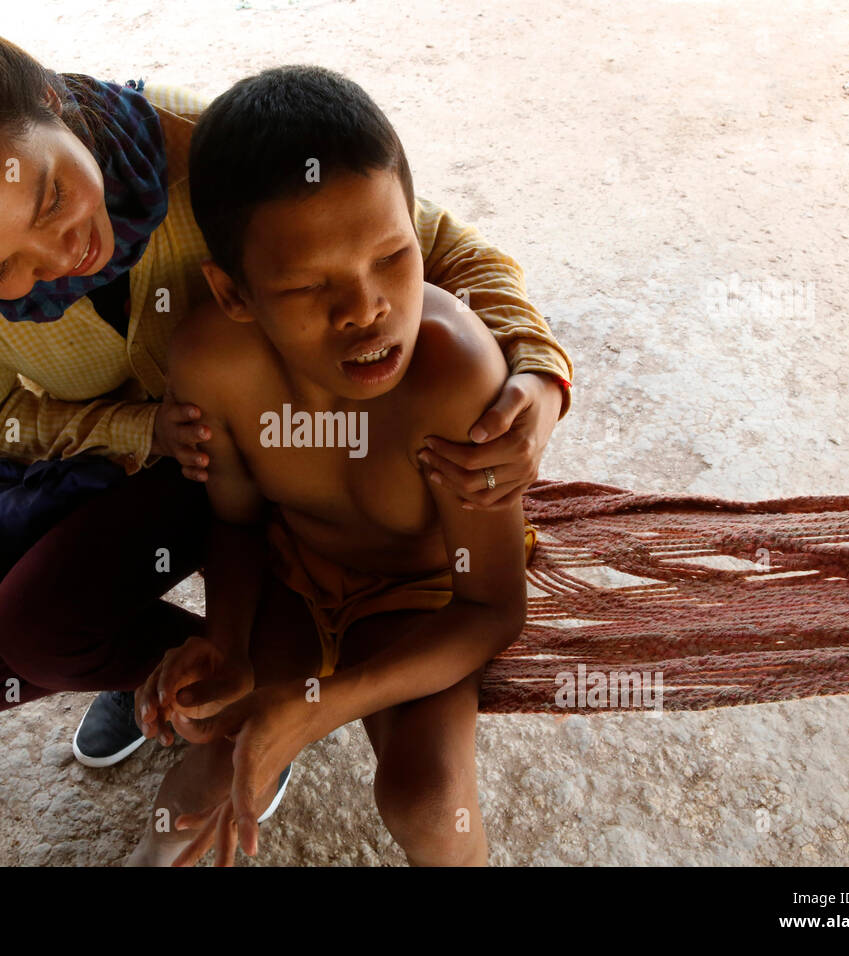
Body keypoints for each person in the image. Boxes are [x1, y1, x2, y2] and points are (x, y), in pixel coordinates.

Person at [0, 1, 574, 791]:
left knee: (38, 623)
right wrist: (138, 430)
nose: (61, 254)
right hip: (131, 454)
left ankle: (262, 691)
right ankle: (213, 682)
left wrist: (537, 369)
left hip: (260, 448)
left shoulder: (204, 146)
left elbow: (432, 245)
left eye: (50, 197)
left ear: (54, 100)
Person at [128, 64, 547, 867]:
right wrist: (228, 645)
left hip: (426, 598)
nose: (364, 308)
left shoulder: (456, 376)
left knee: (426, 800)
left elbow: (493, 606)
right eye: (309, 284)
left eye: (392, 257)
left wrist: (322, 703)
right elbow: (237, 522)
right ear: (235, 293)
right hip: (294, 575)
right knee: (198, 789)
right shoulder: (212, 363)